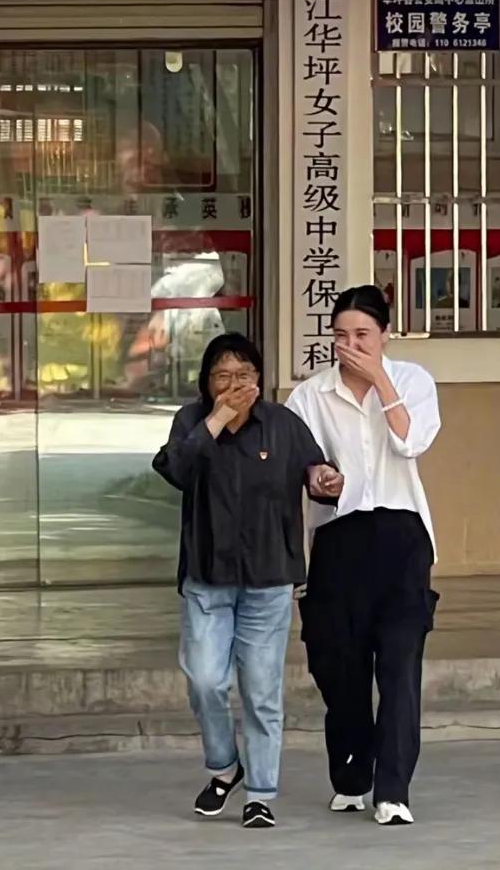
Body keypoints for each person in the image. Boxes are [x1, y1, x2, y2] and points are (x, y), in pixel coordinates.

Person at [152, 333, 328, 831]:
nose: (234, 385)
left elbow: (315, 468)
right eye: (222, 376)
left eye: (244, 374)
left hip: (268, 576)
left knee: (261, 690)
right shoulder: (191, 421)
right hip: (208, 575)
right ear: (206, 383)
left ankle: (261, 794)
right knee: (205, 680)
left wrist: (323, 478)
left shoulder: (282, 424)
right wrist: (215, 421)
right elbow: (175, 469)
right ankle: (225, 766)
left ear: (259, 378)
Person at [287, 285, 441, 828]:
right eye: (341, 336)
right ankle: (352, 777)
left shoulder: (413, 381)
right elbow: (302, 464)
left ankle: (393, 790)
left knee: (399, 664)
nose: (351, 345)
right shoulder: (311, 395)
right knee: (340, 665)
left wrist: (380, 380)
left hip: (402, 535)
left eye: (363, 335)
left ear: (385, 335)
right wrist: (318, 478)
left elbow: (411, 443)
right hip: (339, 536)